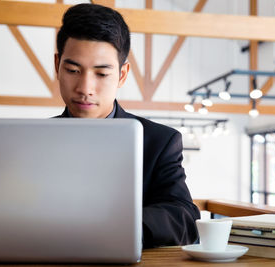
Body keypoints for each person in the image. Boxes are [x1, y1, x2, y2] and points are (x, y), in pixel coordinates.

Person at [53, 3, 200, 248]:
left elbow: (184, 217)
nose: (85, 88)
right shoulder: (32, 140)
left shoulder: (159, 141)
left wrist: (116, 226)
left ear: (122, 75)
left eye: (101, 74)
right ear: (58, 66)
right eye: (73, 70)